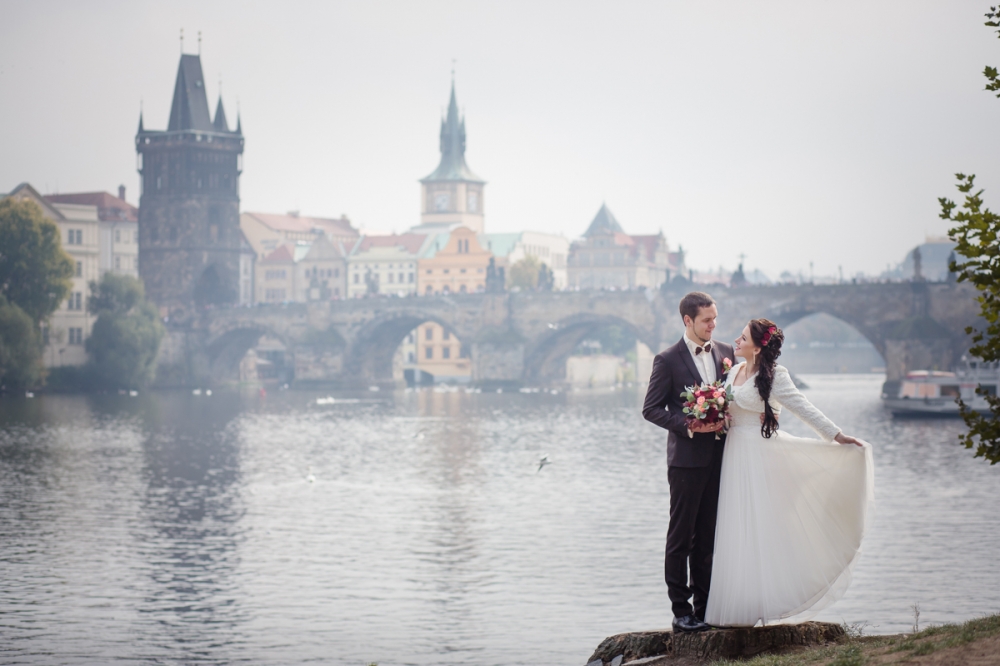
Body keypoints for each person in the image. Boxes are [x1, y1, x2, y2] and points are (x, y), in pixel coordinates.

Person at [704, 318, 874, 627]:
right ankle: (736, 604)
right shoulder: (732, 372)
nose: (736, 341)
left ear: (758, 346)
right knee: (735, 524)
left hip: (759, 455)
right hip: (733, 454)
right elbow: (729, 412)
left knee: (759, 526)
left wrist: (836, 435)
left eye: (742, 337)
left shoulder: (776, 376)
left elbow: (803, 407)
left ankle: (763, 600)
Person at [642, 292, 735, 633]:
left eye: (715, 319)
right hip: (685, 461)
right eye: (707, 320)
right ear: (687, 321)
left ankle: (705, 607)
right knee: (680, 538)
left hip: (720, 458)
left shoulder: (726, 353)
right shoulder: (666, 360)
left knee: (707, 536)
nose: (713, 325)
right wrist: (688, 424)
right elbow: (650, 409)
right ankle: (681, 612)